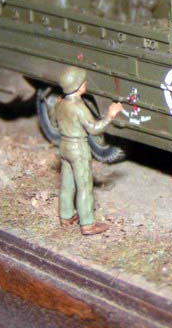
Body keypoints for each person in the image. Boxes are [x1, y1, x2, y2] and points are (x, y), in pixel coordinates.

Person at [56, 67, 123, 235]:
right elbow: (94, 129)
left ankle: (66, 216)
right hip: (78, 148)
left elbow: (57, 123)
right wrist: (110, 115)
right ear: (77, 86)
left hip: (64, 145)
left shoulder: (60, 103)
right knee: (84, 186)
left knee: (67, 184)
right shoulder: (78, 106)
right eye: (83, 82)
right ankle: (87, 224)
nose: (85, 83)